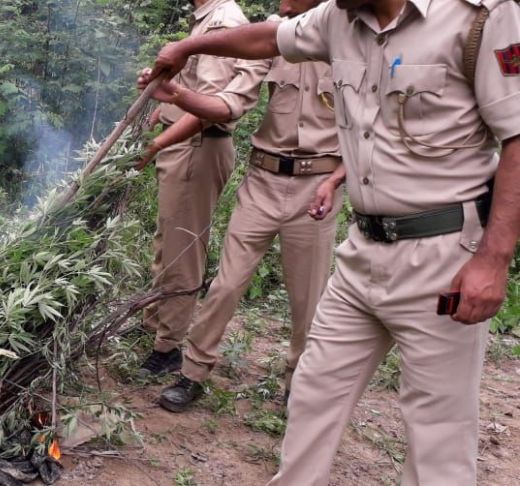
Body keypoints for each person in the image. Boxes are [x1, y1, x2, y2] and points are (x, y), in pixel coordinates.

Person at [144, 0, 520, 484]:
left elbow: (516, 137)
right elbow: (265, 38)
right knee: (312, 393)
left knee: (438, 438)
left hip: (442, 255)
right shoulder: (340, 18)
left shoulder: (479, 17)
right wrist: (186, 46)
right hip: (361, 249)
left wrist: (493, 259)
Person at [138, 0, 345, 412]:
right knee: (226, 284)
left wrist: (339, 178)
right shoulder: (271, 36)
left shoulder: (351, 36)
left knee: (308, 299)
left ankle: (297, 385)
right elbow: (229, 105)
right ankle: (192, 373)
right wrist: (176, 95)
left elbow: (373, 125)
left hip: (317, 185)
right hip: (263, 178)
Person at [138, 0, 266, 379]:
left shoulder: (222, 22)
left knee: (181, 251)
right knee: (167, 240)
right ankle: (156, 323)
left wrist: (157, 145)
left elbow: (208, 108)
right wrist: (165, 104)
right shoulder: (206, 21)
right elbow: (192, 92)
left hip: (196, 147)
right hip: (184, 144)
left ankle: (167, 348)